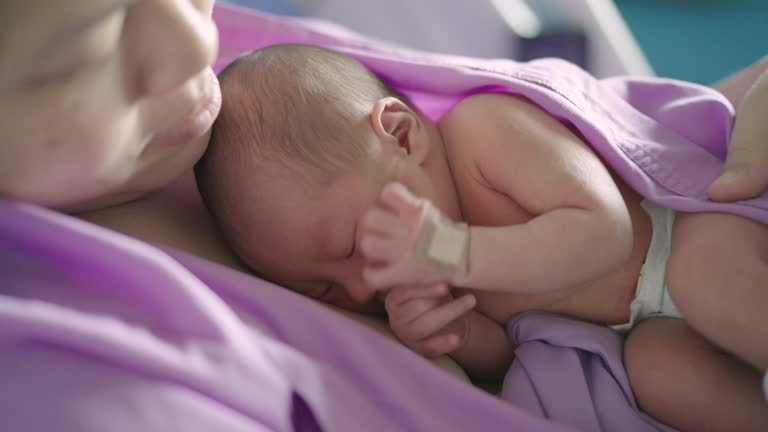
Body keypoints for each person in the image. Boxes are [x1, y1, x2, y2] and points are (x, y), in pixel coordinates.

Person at [196, 43, 768, 432]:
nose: (360, 284)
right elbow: (508, 351)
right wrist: (455, 334)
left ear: (398, 135)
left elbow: (605, 231)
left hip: (692, 232)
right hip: (649, 328)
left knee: (702, 273)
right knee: (659, 374)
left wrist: (457, 251)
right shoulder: (428, 268)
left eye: (351, 245)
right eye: (323, 290)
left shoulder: (484, 134)